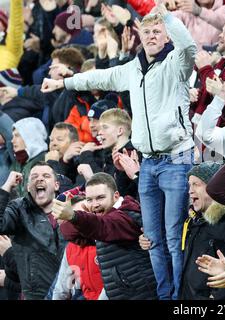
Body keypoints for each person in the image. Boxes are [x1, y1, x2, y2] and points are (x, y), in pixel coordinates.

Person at [41, 1, 197, 300]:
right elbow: (96, 78)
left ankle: (179, 299)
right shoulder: (131, 70)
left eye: (157, 31)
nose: (151, 35)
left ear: (167, 36)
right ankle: (165, 296)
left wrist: (165, 14)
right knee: (152, 239)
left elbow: (189, 47)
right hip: (149, 163)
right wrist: (62, 83)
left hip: (177, 158)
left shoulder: (177, 63)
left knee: (174, 235)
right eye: (146, 31)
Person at [52, 172, 158, 300]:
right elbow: (71, 234)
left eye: (100, 197)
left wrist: (74, 216)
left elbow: (102, 225)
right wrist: (76, 218)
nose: (95, 204)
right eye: (90, 200)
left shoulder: (126, 216)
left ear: (116, 196)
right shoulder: (101, 221)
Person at [179, 162, 225, 300]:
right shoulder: (193, 221)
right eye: (190, 185)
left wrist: (218, 297)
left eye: (196, 184)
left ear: (214, 187)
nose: (190, 190)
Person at [0, 162, 66, 299]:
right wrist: (6, 187)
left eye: (46, 176)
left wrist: (9, 253)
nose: (40, 179)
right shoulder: (18, 208)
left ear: (56, 185)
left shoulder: (70, 212)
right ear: (28, 187)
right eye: (34, 176)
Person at [10, 117, 48, 197]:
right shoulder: (17, 163)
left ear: (30, 137)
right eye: (13, 136)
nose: (12, 140)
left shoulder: (45, 161)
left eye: (17, 135)